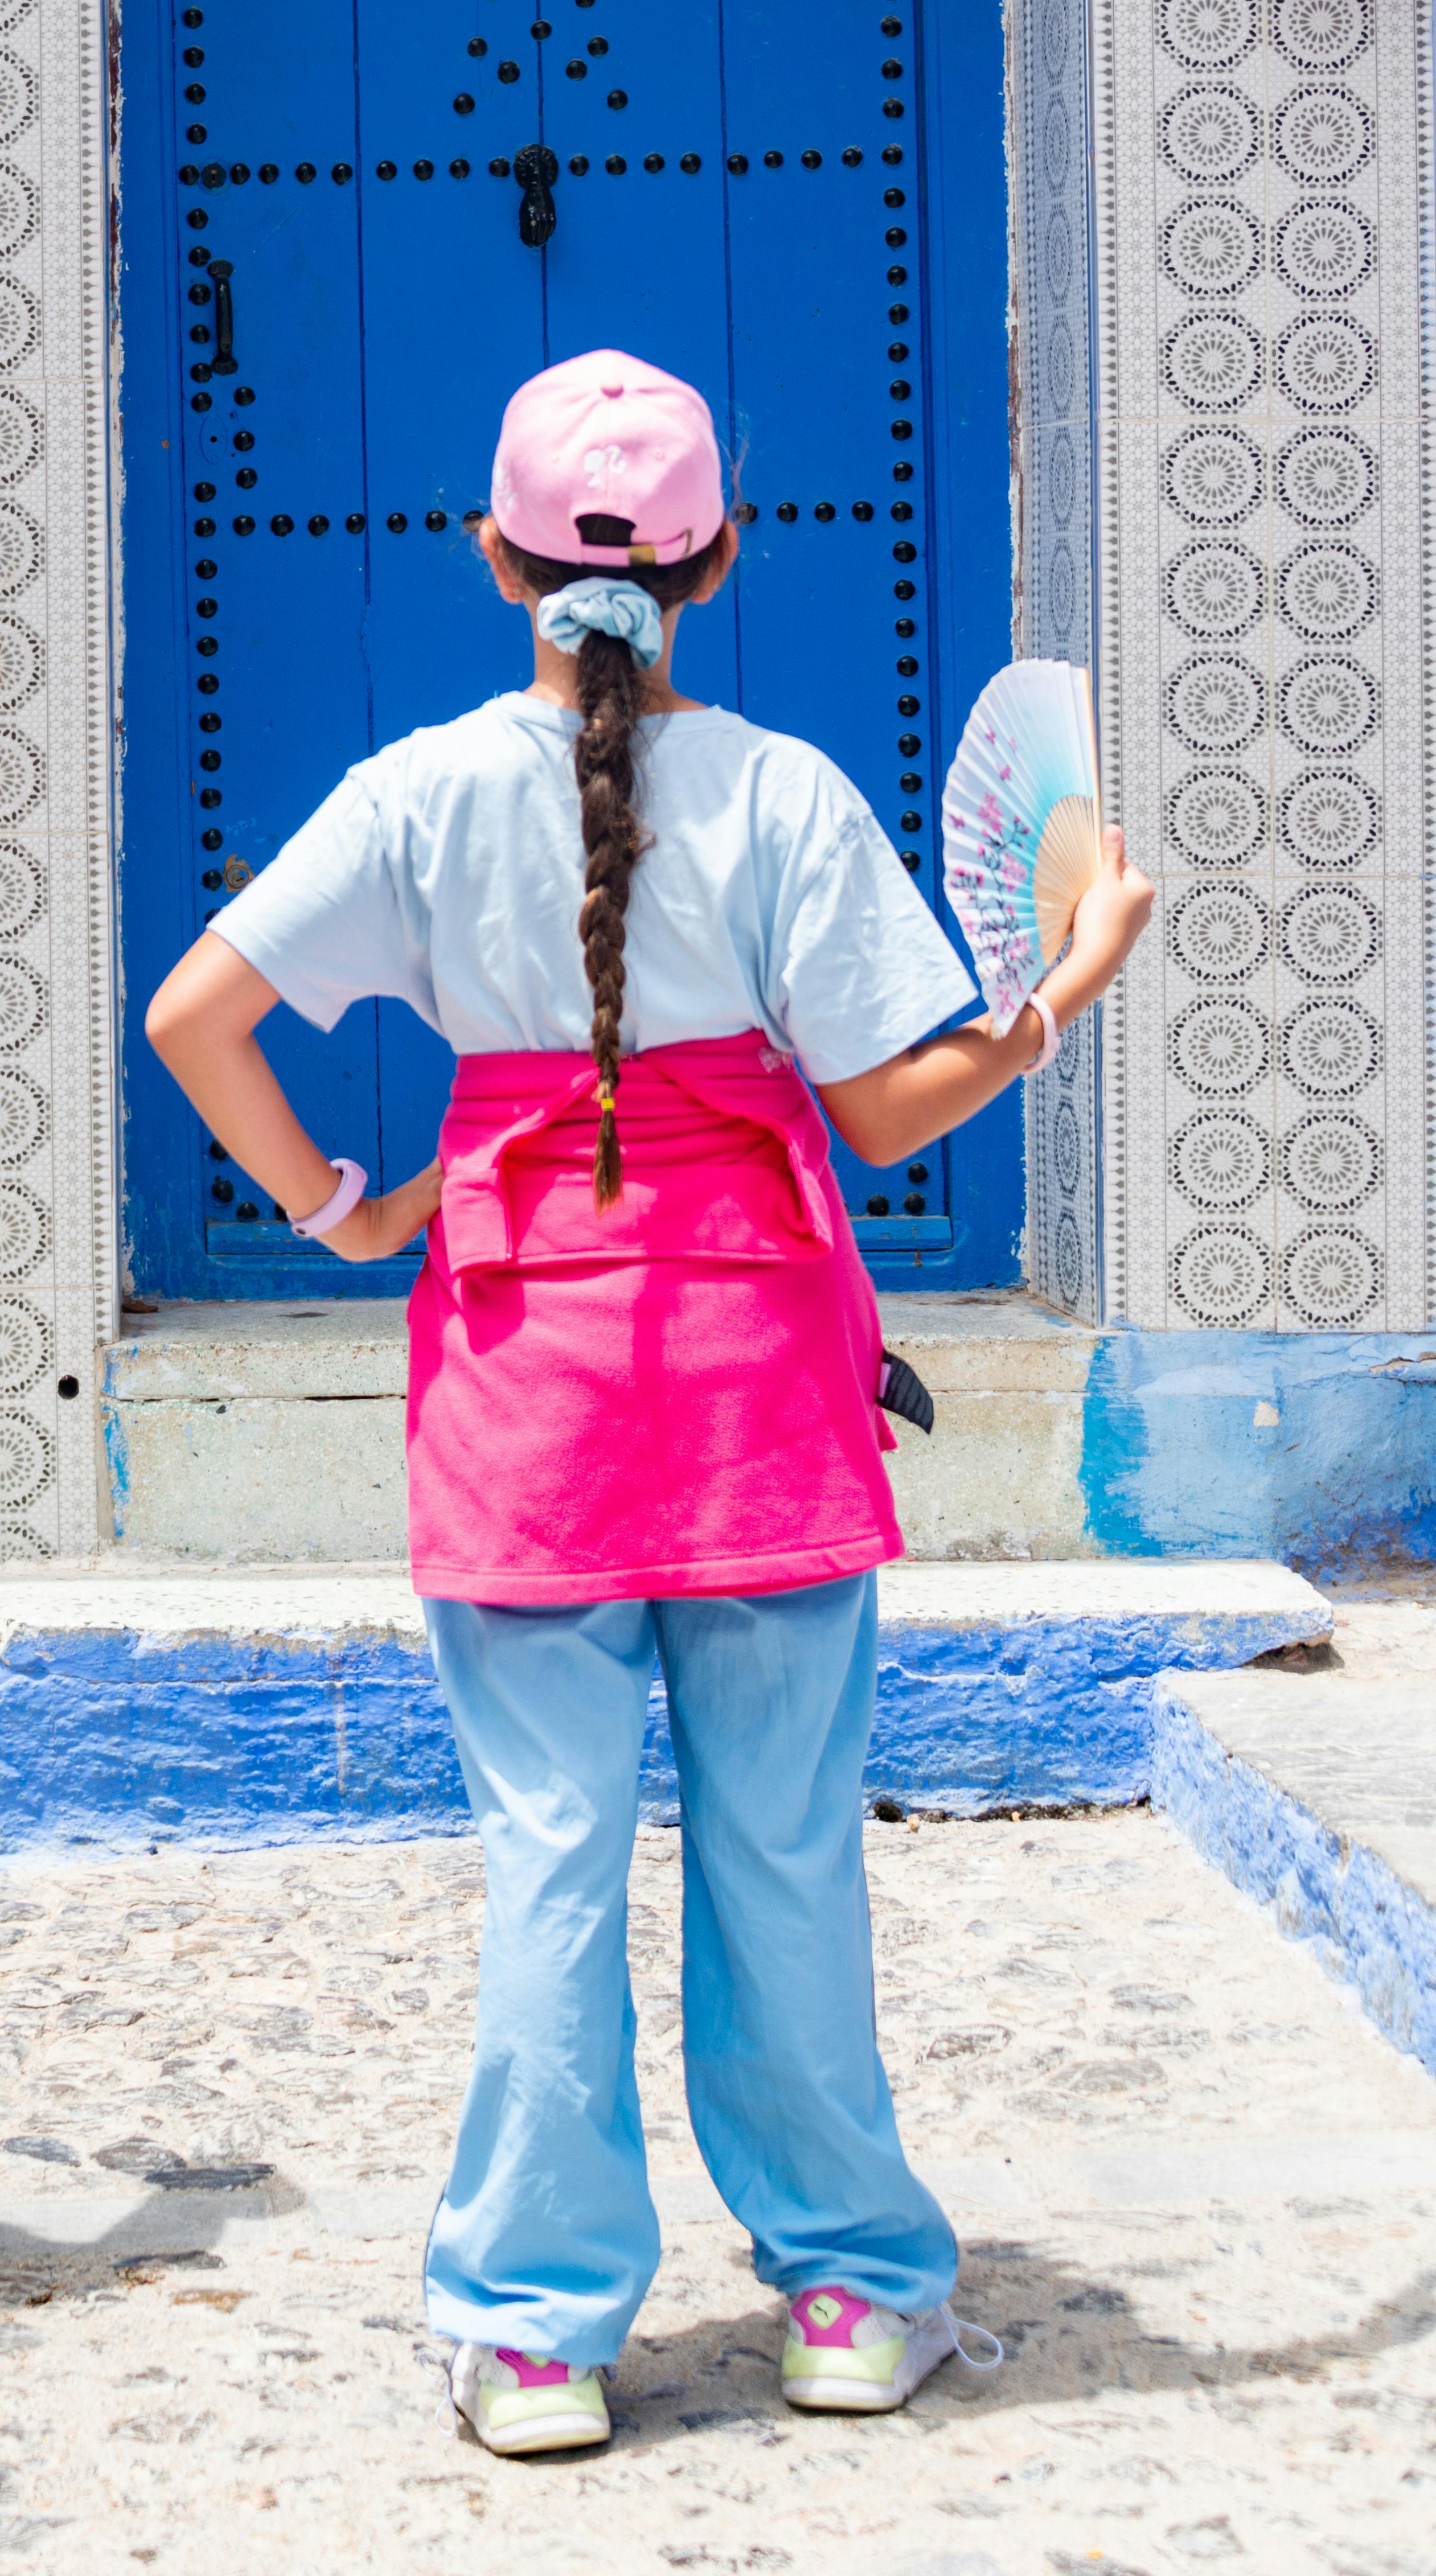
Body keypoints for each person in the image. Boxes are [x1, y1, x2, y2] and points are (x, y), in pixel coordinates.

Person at [145, 347, 1151, 2462]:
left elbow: (195, 1014)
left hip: (523, 1372)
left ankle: (534, 2334)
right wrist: (1062, 985)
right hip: (757, 1374)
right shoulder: (785, 795)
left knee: (547, 1854)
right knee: (786, 1849)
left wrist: (341, 1208)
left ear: (494, 553)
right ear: (719, 555)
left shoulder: (417, 791)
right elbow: (884, 1111)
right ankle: (854, 2295)